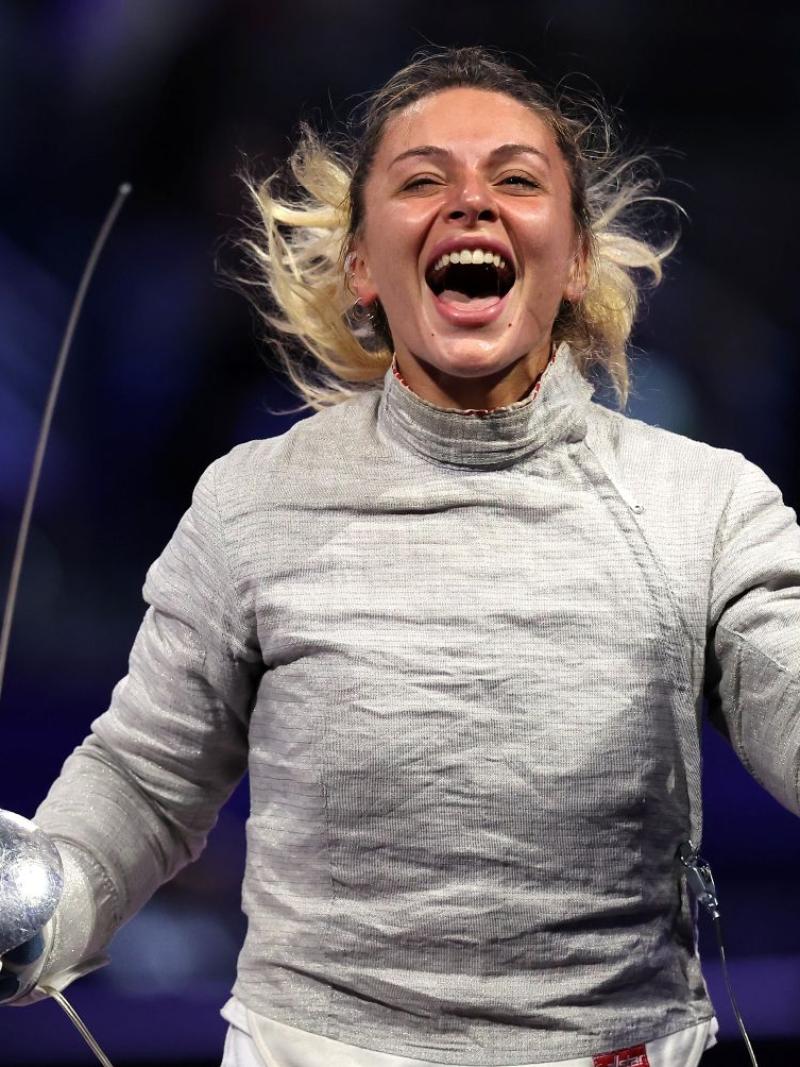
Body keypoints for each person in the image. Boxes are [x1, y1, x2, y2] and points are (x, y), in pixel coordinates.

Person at [2, 45, 799, 1067]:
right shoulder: (254, 500)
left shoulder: (706, 505)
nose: (469, 203)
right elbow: (147, 776)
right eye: (421, 182)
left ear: (575, 260)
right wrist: (44, 898)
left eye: (515, 180)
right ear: (363, 269)